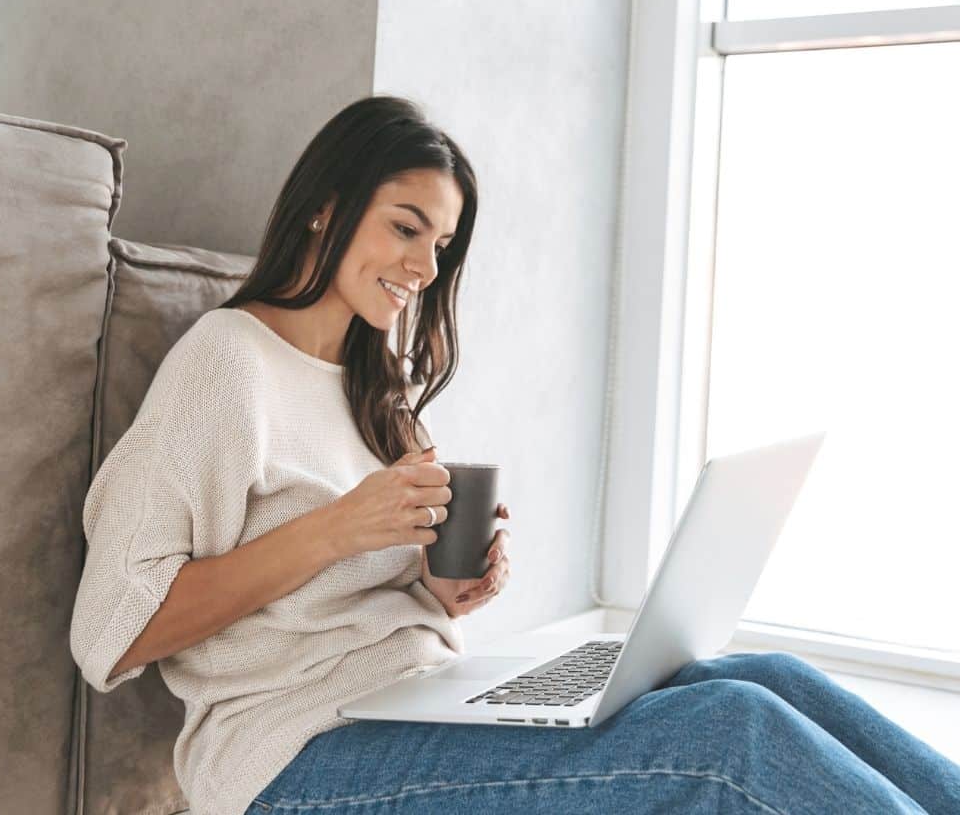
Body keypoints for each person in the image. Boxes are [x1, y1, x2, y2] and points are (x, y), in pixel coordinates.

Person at [70, 96, 960, 815]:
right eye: (405, 228)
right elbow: (113, 633)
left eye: (441, 243)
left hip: (414, 699)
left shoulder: (373, 387)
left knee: (766, 678)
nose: (423, 264)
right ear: (327, 212)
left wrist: (440, 588)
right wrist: (340, 530)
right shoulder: (228, 364)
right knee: (733, 733)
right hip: (293, 760)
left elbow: (355, 600)